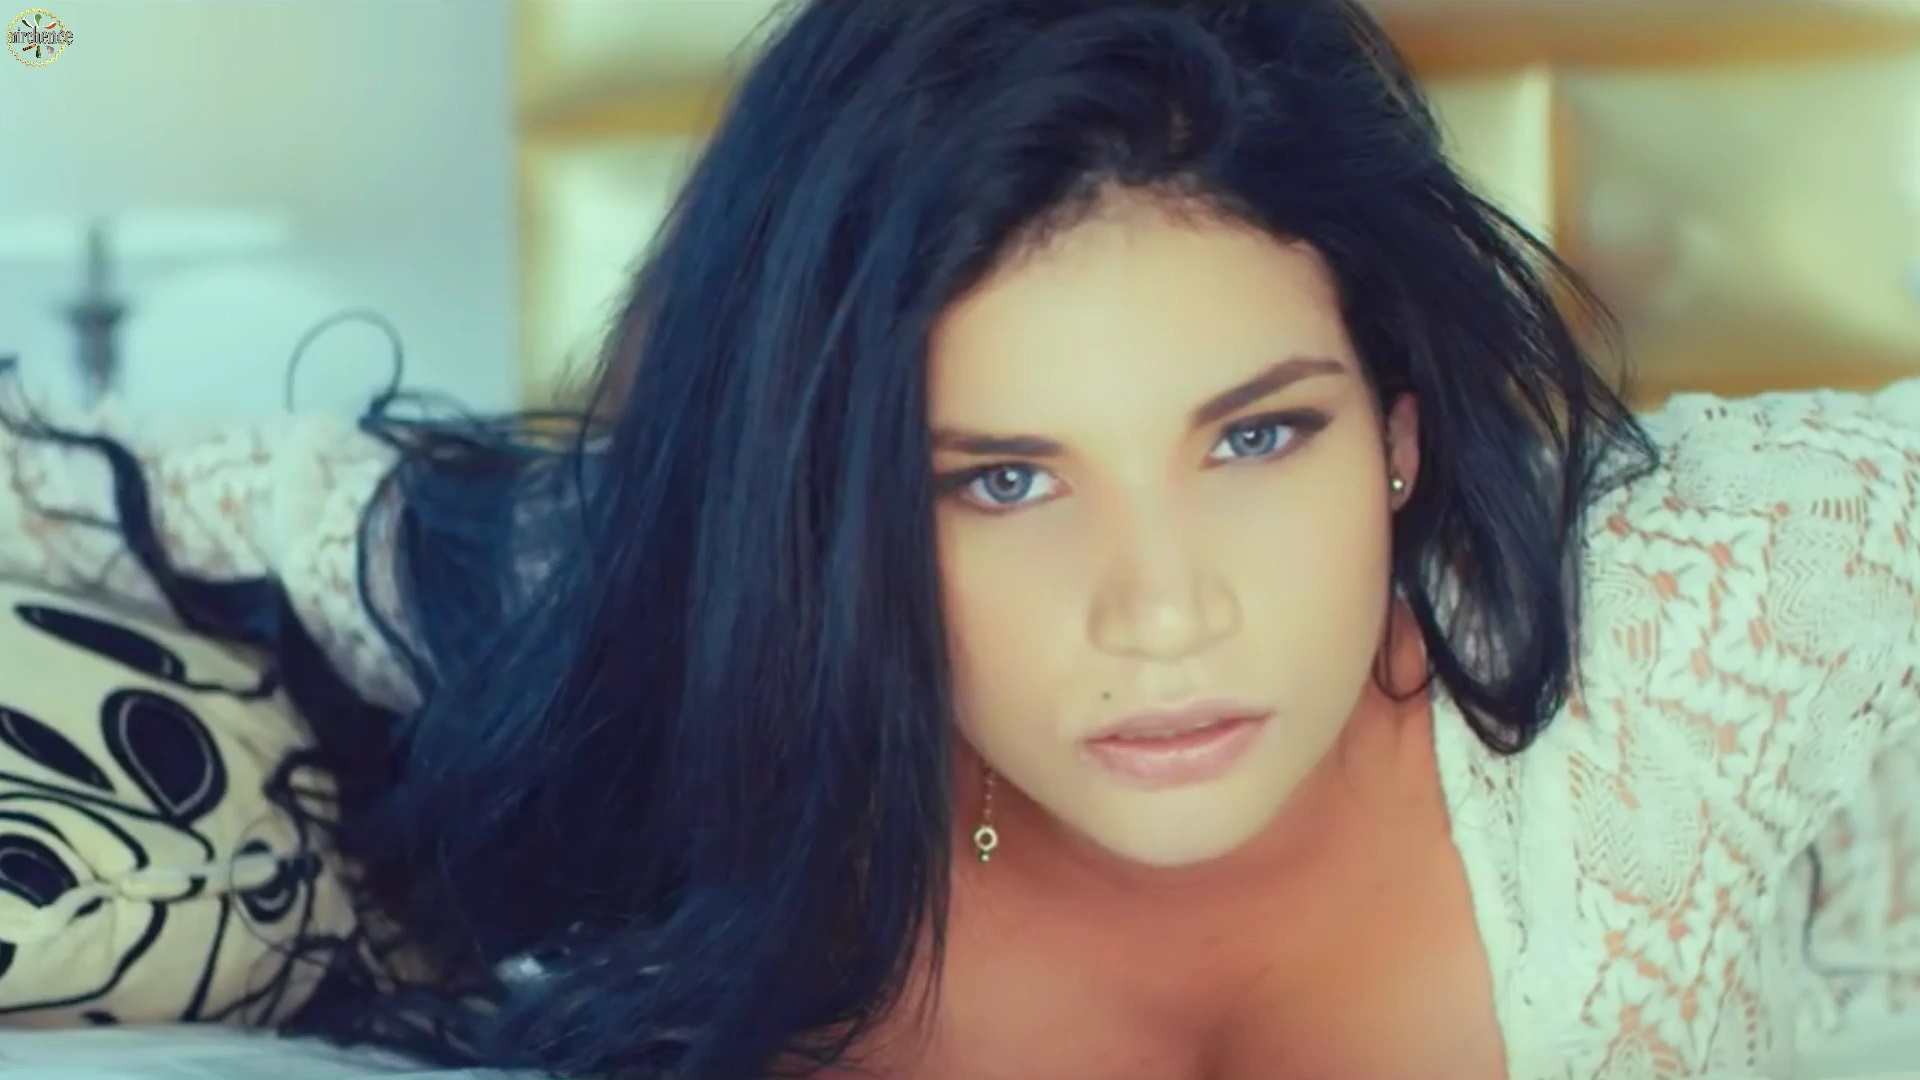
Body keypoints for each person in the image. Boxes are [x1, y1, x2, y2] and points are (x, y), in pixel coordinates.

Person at [1, 1, 1915, 1077]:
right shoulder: (640, 600)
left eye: (1258, 435)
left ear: (1401, 434)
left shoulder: (1709, 604)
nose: (1163, 615)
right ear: (833, 509)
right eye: (1000, 480)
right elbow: (66, 473)